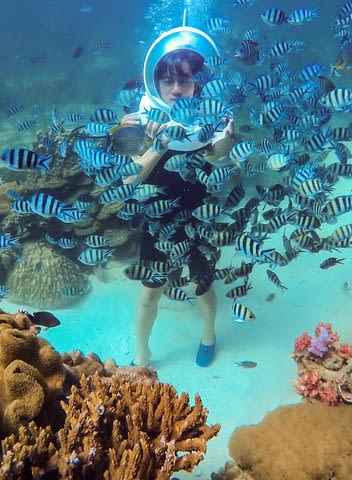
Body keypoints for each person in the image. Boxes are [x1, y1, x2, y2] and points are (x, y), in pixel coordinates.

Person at [120, 26, 239, 367]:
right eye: (168, 80)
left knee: (201, 287)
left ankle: (209, 336)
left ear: (199, 83)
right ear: (154, 81)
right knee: (149, 291)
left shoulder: (212, 117)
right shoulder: (143, 119)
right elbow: (130, 178)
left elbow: (219, 156)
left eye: (185, 81)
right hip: (158, 221)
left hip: (197, 219)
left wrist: (227, 139)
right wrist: (157, 143)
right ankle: (142, 352)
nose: (175, 89)